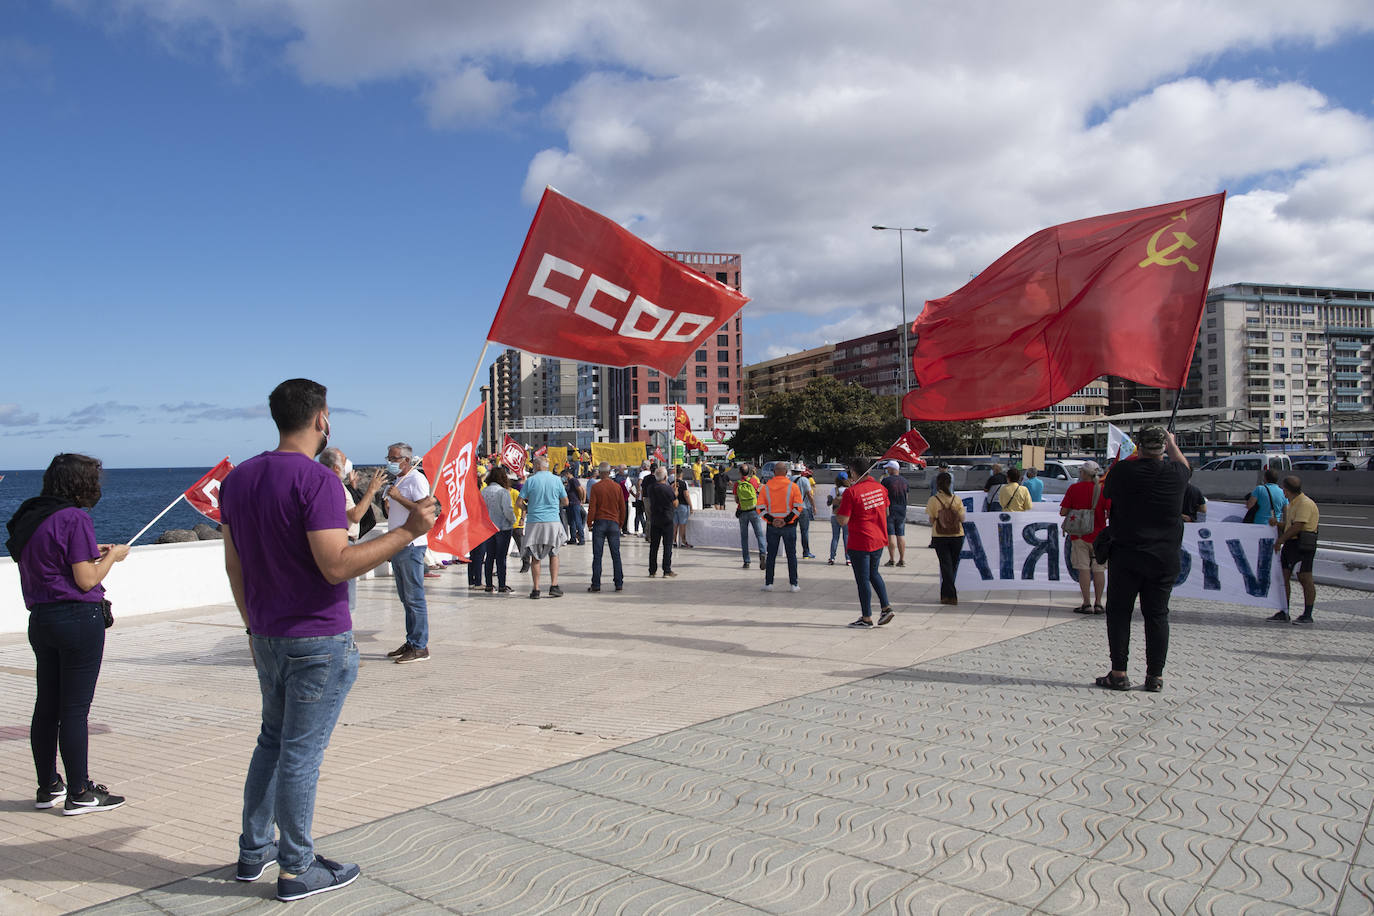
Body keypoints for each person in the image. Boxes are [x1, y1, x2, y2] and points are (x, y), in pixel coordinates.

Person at [220, 378, 439, 901]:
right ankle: (296, 867)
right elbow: (336, 565)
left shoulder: (239, 479)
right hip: (316, 637)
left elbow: (234, 565)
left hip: (268, 633)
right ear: (322, 419)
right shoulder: (317, 482)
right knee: (300, 754)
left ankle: (255, 851)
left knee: (271, 743)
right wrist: (406, 533)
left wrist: (253, 626)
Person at [7, 453, 129, 816]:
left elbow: (53, 561)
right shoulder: (75, 517)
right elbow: (86, 579)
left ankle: (48, 786)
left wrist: (94, 552)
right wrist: (113, 556)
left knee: (46, 706)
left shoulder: (32, 516)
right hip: (77, 618)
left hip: (41, 619)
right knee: (74, 711)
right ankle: (80, 792)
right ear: (81, 483)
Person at [1096, 426, 1190, 693]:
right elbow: (1184, 465)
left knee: (1119, 614)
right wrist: (1172, 443)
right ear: (1164, 447)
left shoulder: (1125, 471)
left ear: (1139, 446)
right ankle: (1155, 676)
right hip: (1164, 557)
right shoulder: (1177, 475)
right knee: (1157, 615)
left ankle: (1119, 673)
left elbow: (1108, 492)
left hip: (1127, 555)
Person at [382, 442, 433, 664]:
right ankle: (412, 641)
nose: (390, 462)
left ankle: (420, 646)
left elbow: (424, 509)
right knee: (405, 598)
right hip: (398, 544)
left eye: (393, 459)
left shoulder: (416, 479)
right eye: (389, 458)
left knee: (414, 598)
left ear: (406, 460)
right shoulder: (399, 480)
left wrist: (398, 498)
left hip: (412, 545)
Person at [319, 449, 385, 614]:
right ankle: (345, 638)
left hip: (329, 543)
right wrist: (371, 491)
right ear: (336, 467)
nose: (348, 464)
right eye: (344, 460)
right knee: (347, 602)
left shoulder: (321, 483)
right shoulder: (336, 486)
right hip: (343, 543)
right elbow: (355, 515)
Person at [836, 459, 894, 627]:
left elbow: (842, 521)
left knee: (862, 580)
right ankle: (886, 607)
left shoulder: (851, 492)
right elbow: (887, 511)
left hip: (860, 541)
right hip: (878, 538)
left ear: (854, 472)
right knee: (874, 573)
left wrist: (837, 507)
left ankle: (866, 617)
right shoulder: (880, 488)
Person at [1059, 462, 1109, 615]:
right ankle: (1099, 603)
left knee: (1084, 569)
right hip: (1099, 536)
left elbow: (1063, 512)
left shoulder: (1074, 489)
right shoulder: (1102, 490)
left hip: (1079, 535)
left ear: (1085, 474)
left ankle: (1086, 603)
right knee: (1099, 569)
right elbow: (1109, 511)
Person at [1271, 475, 1320, 625]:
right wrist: (1278, 524)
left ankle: (1307, 613)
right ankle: (1284, 611)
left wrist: (1281, 540)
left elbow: (1298, 526)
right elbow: (1290, 525)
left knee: (1305, 578)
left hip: (1302, 545)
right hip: (1291, 545)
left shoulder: (1305, 503)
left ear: (1287, 489)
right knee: (1283, 577)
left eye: (1283, 489)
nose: (1283, 491)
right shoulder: (1293, 503)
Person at [518, 456, 569, 599]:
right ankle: (554, 585)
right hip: (552, 521)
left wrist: (527, 509)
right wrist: (553, 506)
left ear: (537, 466)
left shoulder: (531, 481)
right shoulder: (556, 480)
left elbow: (519, 502)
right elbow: (565, 501)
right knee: (554, 553)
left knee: (535, 556)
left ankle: (536, 588)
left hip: (534, 522)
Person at [760, 460, 803, 592]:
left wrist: (772, 520)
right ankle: (794, 584)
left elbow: (760, 508)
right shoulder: (793, 487)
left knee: (771, 555)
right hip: (789, 526)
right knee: (791, 555)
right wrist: (786, 520)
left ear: (774, 472)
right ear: (786, 472)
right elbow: (798, 507)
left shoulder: (766, 487)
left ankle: (769, 583)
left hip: (772, 526)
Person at [925, 470, 966, 605]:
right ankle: (947, 595)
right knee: (952, 565)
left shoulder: (933, 500)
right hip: (957, 535)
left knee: (945, 565)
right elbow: (962, 518)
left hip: (940, 535)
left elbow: (931, 520)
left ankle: (949, 595)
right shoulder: (957, 499)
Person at [587, 462, 627, 592]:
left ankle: (596, 584)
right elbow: (622, 507)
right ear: (609, 472)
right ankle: (618, 583)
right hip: (613, 523)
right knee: (616, 554)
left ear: (600, 472)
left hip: (599, 523)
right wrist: (620, 523)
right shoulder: (617, 487)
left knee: (597, 555)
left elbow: (592, 508)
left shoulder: (596, 487)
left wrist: (589, 523)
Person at [479, 466, 516, 594]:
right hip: (502, 527)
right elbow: (508, 510)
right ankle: (501, 585)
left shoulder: (484, 491)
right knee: (501, 558)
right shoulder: (503, 492)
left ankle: (489, 584)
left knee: (489, 557)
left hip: (488, 528)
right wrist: (513, 520)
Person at [643, 466, 678, 578]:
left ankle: (652, 570)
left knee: (654, 546)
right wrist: (675, 493)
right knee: (667, 546)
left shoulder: (651, 488)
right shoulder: (667, 489)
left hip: (655, 519)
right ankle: (666, 570)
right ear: (665, 477)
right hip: (667, 519)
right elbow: (675, 503)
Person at [734, 463, 767, 569]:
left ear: (739, 472)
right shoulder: (753, 481)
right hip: (754, 511)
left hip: (742, 511)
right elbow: (760, 491)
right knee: (759, 535)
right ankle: (762, 554)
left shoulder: (737, 484)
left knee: (744, 537)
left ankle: (746, 561)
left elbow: (736, 500)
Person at [880, 461, 909, 567]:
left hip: (889, 510)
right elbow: (906, 497)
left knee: (891, 535)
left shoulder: (886, 481)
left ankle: (892, 559)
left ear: (893, 469)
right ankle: (902, 559)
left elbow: (882, 496)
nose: (887, 470)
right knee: (901, 535)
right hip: (902, 511)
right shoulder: (905, 481)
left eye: (888, 468)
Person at [828, 470, 850, 565]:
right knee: (846, 537)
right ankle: (848, 559)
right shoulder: (848, 490)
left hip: (835, 515)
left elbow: (828, 503)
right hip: (845, 516)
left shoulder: (834, 490)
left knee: (835, 537)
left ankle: (832, 558)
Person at [796, 469, 817, 558]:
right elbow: (809, 494)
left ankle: (791, 551)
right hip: (802, 507)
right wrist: (814, 506)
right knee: (804, 531)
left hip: (791, 508)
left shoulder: (788, 479)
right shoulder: (804, 480)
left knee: (791, 530)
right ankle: (806, 552)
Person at [562, 468, 587, 546]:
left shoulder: (574, 480)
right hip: (570, 504)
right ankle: (573, 538)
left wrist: (581, 499)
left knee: (577, 521)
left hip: (575, 503)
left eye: (564, 475)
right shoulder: (569, 482)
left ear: (568, 473)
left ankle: (581, 538)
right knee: (571, 522)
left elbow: (580, 489)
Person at [672, 466, 694, 548]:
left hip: (674, 505)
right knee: (682, 524)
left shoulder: (672, 483)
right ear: (681, 474)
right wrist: (691, 506)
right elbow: (686, 495)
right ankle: (683, 541)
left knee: (675, 524)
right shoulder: (683, 483)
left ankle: (673, 541)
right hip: (683, 506)